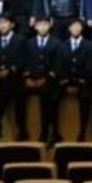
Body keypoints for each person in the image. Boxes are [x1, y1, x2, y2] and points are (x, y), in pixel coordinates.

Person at [54, 17, 92, 142]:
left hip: (83, 83)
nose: (75, 28)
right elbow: (59, 67)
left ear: (82, 28)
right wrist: (68, 83)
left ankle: (83, 131)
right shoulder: (62, 46)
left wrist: (77, 82)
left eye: (78, 26)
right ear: (69, 29)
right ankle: (55, 132)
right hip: (65, 83)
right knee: (51, 96)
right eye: (73, 26)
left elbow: (90, 67)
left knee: (86, 97)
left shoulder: (90, 46)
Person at [0, 14, 26, 141]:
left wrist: (10, 70)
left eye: (5, 22)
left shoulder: (20, 40)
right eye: (0, 23)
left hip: (15, 78)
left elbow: (23, 60)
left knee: (6, 93)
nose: (2, 25)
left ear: (12, 25)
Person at [20, 16, 59, 144]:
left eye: (45, 24)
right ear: (35, 26)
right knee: (18, 93)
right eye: (40, 25)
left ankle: (45, 132)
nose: (42, 27)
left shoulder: (56, 43)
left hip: (48, 80)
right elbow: (23, 62)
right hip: (30, 78)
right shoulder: (28, 42)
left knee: (47, 95)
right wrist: (27, 77)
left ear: (50, 26)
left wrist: (46, 78)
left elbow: (58, 65)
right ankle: (22, 130)